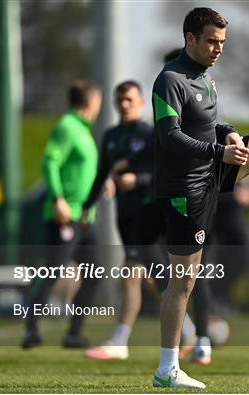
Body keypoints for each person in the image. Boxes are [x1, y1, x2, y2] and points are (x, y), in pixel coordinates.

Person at [150, 7, 249, 388]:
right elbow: (168, 136)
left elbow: (209, 125)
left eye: (222, 42)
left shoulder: (206, 78)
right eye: (211, 41)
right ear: (190, 38)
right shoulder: (169, 80)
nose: (218, 48)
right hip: (184, 190)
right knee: (183, 284)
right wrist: (218, 153)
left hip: (210, 172)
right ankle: (167, 368)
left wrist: (231, 134)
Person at [80, 80, 166, 360]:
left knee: (130, 275)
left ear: (141, 103)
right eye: (120, 100)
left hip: (148, 214)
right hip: (124, 215)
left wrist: (138, 179)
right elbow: (101, 174)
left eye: (130, 99)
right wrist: (86, 207)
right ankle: (190, 330)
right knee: (152, 278)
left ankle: (119, 341)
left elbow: (163, 174)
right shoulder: (111, 136)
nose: (124, 104)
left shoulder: (151, 135)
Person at [22, 80, 103, 349]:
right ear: (91, 102)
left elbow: (84, 172)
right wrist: (57, 198)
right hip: (64, 215)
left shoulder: (83, 131)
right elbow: (50, 160)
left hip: (84, 218)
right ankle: (31, 327)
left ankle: (73, 333)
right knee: (52, 271)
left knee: (95, 272)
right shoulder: (68, 127)